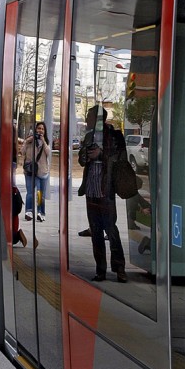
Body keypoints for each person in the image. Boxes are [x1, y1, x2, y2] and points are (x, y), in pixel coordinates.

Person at [77, 106, 127, 283]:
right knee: (96, 231)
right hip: (91, 189)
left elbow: (120, 160)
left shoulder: (115, 136)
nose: (87, 119)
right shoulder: (89, 136)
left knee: (111, 229)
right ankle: (101, 270)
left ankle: (119, 268)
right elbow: (81, 160)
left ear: (99, 119)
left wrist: (101, 154)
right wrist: (86, 155)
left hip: (106, 189)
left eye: (89, 116)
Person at [22, 121, 50, 221]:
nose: (40, 131)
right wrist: (26, 142)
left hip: (41, 171)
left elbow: (48, 153)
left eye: (42, 129)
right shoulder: (30, 141)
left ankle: (40, 212)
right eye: (39, 128)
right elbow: (22, 152)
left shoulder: (45, 142)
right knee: (30, 192)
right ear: (35, 130)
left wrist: (43, 141)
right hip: (30, 170)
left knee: (39, 193)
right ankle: (29, 211)